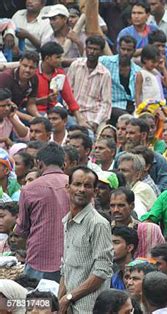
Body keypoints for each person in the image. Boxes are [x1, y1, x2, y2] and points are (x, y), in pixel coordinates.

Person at [58, 166, 113, 313]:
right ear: (67, 188)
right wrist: (61, 300)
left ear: (94, 192)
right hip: (69, 307)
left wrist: (69, 297)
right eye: (77, 184)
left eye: (87, 186)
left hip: (88, 308)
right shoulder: (67, 222)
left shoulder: (98, 224)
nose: (81, 189)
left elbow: (102, 271)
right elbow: (66, 268)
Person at [15, 143, 68, 282]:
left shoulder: (29, 189)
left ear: (39, 164)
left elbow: (22, 229)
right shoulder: (76, 186)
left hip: (39, 259)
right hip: (71, 259)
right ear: (64, 164)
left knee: (35, 301)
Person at [67, 35, 112, 133]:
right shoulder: (76, 65)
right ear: (85, 49)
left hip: (93, 116)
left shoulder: (105, 74)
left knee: (92, 135)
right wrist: (71, 110)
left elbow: (106, 103)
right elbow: (67, 91)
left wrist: (96, 122)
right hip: (73, 113)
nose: (91, 52)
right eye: (89, 48)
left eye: (95, 49)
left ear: (101, 52)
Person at [35, 42, 87, 127]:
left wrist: (80, 119)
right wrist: (45, 100)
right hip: (37, 112)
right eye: (58, 57)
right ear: (47, 58)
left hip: (55, 111)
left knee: (75, 126)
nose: (61, 60)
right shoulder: (34, 72)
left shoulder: (60, 73)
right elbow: (26, 102)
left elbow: (69, 98)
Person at [99, 36, 140, 116]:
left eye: (129, 50)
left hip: (130, 106)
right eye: (123, 49)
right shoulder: (105, 61)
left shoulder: (137, 71)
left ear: (134, 51)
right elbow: (85, 61)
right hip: (111, 105)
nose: (125, 53)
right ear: (118, 48)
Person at [0, 51, 40, 122]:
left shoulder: (34, 79)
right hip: (4, 112)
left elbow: (31, 104)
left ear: (36, 68)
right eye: (25, 66)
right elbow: (5, 107)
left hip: (18, 110)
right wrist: (29, 118)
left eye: (31, 67)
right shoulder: (6, 77)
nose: (27, 70)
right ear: (20, 63)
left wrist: (38, 117)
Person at [118, 153, 157, 217]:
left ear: (138, 175)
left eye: (124, 171)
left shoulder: (143, 189)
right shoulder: (128, 188)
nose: (119, 174)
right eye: (119, 170)